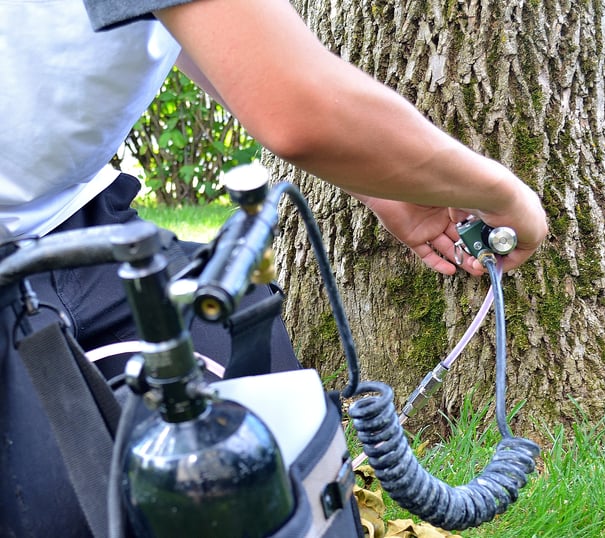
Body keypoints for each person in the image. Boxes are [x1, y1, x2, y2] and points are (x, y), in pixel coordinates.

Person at [0, 0, 548, 535]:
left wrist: (380, 184)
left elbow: (224, 46)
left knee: (271, 436)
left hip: (72, 216)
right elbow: (299, 105)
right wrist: (502, 194)